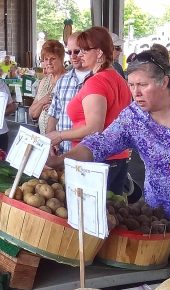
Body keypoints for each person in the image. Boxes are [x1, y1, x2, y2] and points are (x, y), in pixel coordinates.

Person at [48, 50, 170, 226]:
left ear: (164, 82)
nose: (136, 92)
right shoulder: (132, 118)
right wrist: (59, 161)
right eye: (131, 85)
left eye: (143, 85)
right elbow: (99, 144)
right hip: (161, 215)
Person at [46, 26, 132, 194]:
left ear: (99, 53)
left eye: (84, 50)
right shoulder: (119, 79)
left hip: (95, 160)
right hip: (117, 158)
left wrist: (59, 135)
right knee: (111, 212)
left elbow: (94, 128)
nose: (80, 55)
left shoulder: (97, 81)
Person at [47, 32, 91, 152]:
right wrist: (50, 141)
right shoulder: (63, 81)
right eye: (69, 52)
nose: (73, 56)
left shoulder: (97, 80)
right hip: (62, 151)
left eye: (76, 51)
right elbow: (53, 113)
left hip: (88, 153)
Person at [28, 40, 67, 134]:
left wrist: (55, 108)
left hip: (62, 137)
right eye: (46, 59)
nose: (48, 63)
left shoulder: (69, 80)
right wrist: (42, 101)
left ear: (61, 59)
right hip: (43, 136)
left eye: (53, 59)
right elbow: (32, 114)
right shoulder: (44, 81)